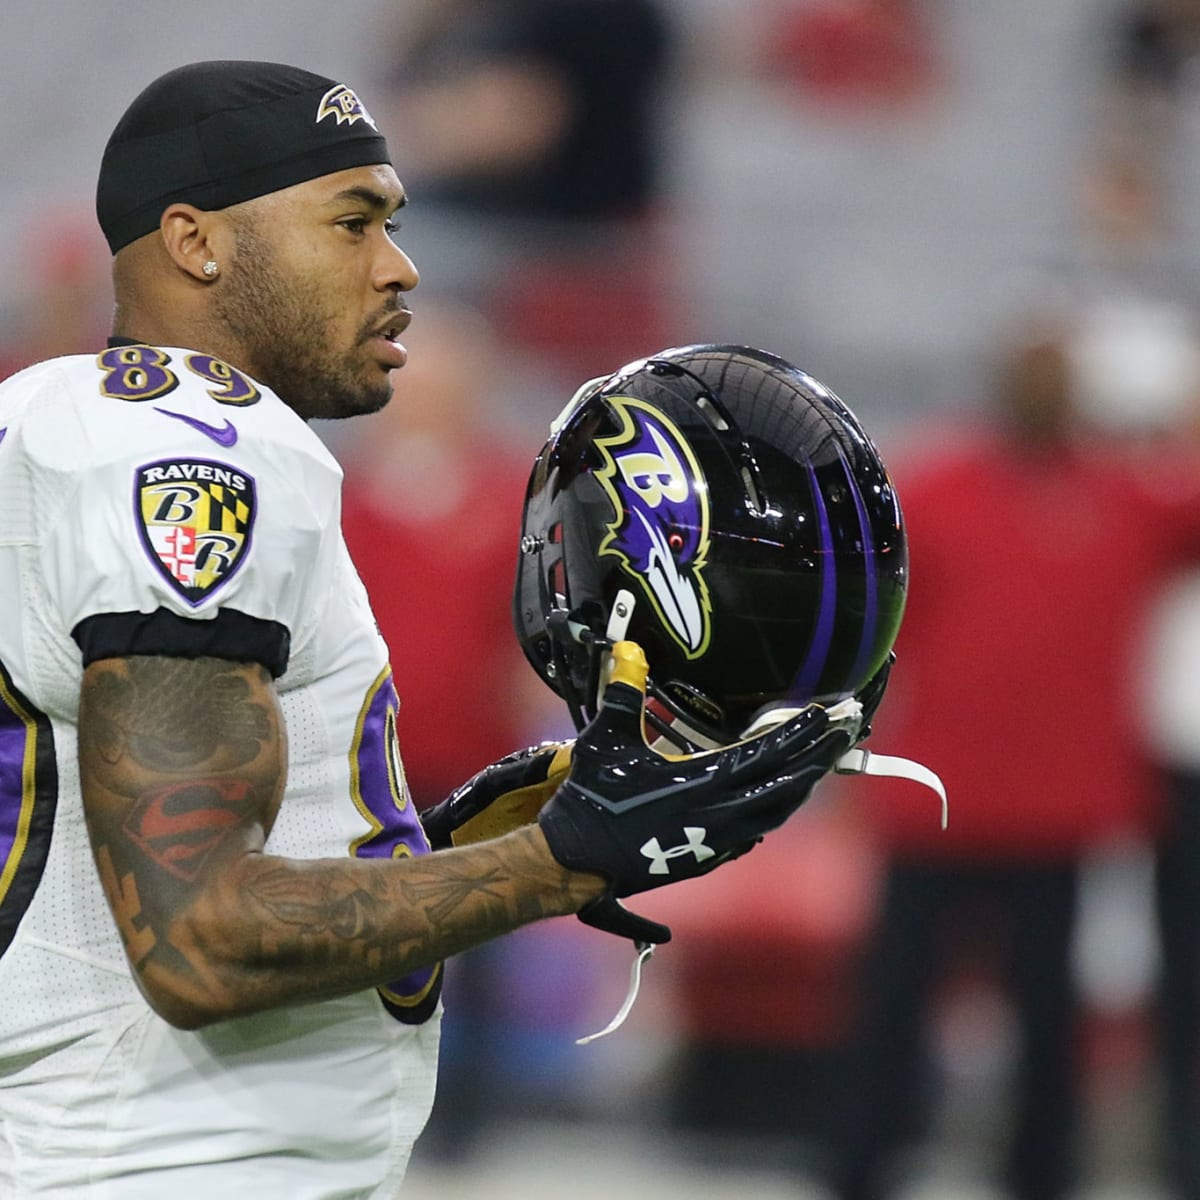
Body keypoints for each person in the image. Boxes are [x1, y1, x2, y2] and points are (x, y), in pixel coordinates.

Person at [0, 60, 870, 1196]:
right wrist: (560, 861)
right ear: (196, 243)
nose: (400, 267)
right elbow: (201, 937)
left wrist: (446, 849)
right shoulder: (195, 458)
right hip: (163, 1164)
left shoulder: (77, 421)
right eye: (352, 222)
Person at [825, 313, 1200, 1200]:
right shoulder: (936, 488)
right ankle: (860, 1171)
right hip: (936, 800)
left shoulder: (1123, 496)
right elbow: (869, 639)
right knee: (891, 1007)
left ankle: (1041, 1178)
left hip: (1055, 812)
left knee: (1048, 1020)